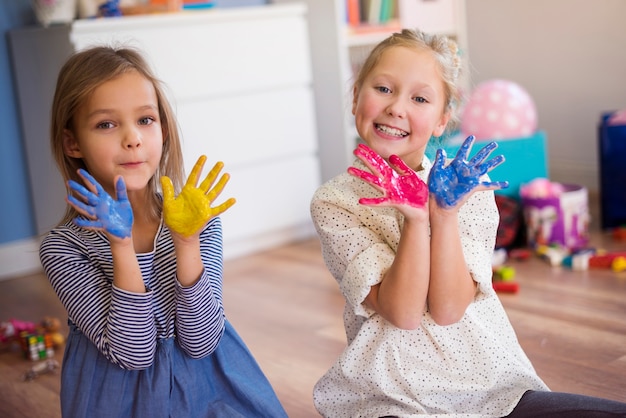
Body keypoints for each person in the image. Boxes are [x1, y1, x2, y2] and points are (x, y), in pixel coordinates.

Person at [310, 28, 626, 417]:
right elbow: (404, 313)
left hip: (492, 389)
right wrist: (414, 218)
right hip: (394, 397)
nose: (396, 108)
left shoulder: (467, 189)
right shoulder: (335, 201)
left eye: (420, 98)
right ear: (357, 95)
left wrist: (443, 214)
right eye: (384, 89)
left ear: (443, 120)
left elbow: (447, 309)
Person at [39, 45, 288, 418]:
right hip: (119, 398)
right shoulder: (64, 248)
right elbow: (132, 353)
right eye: (106, 124)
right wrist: (120, 245)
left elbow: (201, 341)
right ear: (73, 143)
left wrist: (186, 242)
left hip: (207, 388)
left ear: (164, 130)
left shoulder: (197, 222)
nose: (132, 138)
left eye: (145, 120)